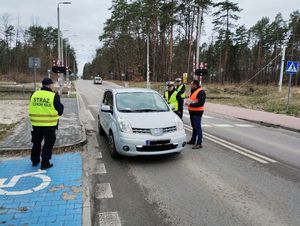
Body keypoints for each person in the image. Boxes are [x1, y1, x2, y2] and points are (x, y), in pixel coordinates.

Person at [29, 78, 64, 169]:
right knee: (48, 144)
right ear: (49, 85)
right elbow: (60, 111)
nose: (53, 86)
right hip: (49, 125)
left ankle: (35, 161)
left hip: (36, 124)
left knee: (36, 143)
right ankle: (45, 163)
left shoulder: (34, 94)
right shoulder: (53, 95)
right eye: (52, 84)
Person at [186, 79, 206, 149]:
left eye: (191, 84)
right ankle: (193, 140)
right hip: (191, 111)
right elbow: (192, 100)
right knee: (194, 127)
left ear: (195, 85)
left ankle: (199, 143)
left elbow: (201, 103)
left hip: (197, 112)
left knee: (198, 127)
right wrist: (188, 102)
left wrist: (190, 104)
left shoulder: (201, 92)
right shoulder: (192, 90)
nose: (190, 85)